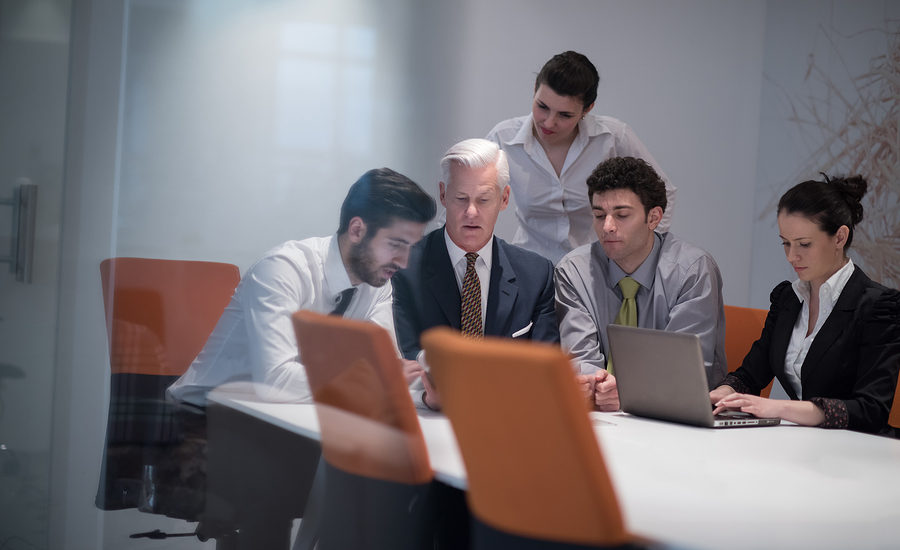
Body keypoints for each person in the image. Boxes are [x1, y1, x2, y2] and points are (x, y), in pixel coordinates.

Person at [167, 167, 436, 406]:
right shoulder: (283, 269)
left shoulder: (376, 284)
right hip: (203, 419)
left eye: (410, 248)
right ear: (357, 231)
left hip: (288, 417)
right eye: (396, 245)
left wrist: (429, 392)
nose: (403, 262)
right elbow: (276, 381)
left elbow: (391, 371)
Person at [711, 175, 900, 435]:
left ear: (839, 237)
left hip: (860, 452)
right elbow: (750, 375)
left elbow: (870, 409)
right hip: (803, 442)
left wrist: (779, 409)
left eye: (804, 244)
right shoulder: (787, 298)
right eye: (785, 243)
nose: (791, 256)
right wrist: (721, 394)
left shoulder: (878, 306)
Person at [392, 138, 559, 411]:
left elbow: (546, 369)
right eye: (461, 199)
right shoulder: (404, 269)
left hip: (509, 422)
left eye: (484, 200)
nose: (471, 212)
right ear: (443, 195)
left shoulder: (536, 274)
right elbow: (402, 360)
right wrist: (426, 395)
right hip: (431, 422)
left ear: (504, 199)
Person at [555, 156, 725, 411]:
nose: (607, 227)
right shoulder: (574, 271)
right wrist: (596, 385)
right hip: (601, 416)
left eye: (621, 215)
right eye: (599, 215)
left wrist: (627, 391)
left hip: (679, 419)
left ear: (654, 218)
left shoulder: (692, 270)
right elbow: (580, 359)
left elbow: (686, 373)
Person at [486, 50, 676, 264]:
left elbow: (663, 192)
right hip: (529, 267)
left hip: (598, 268)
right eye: (542, 107)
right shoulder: (503, 139)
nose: (549, 122)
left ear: (587, 109)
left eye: (565, 115)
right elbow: (467, 195)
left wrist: (642, 254)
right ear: (534, 91)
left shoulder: (612, 137)